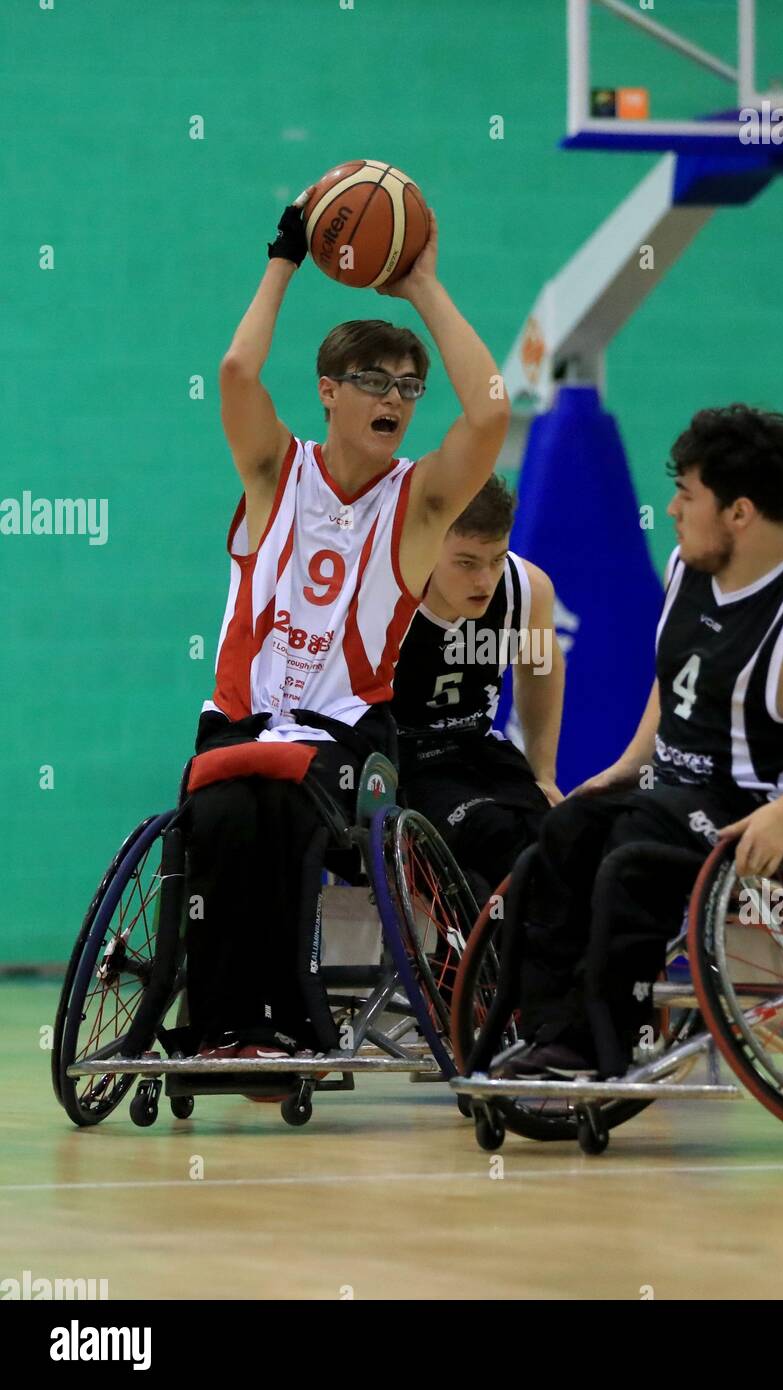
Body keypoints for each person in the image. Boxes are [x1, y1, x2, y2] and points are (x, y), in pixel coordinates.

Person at [494, 403, 783, 1079]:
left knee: (631, 854)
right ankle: (539, 1027)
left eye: (686, 494)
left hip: (774, 829)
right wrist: (630, 763)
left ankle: (598, 1043)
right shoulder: (690, 569)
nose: (671, 509)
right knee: (566, 829)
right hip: (675, 802)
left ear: (739, 513)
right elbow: (675, 681)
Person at [184, 191, 509, 1063]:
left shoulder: (419, 507)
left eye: (408, 387)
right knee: (219, 822)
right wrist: (282, 259)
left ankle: (282, 1025)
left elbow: (488, 415)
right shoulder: (272, 472)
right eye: (373, 381)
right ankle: (215, 1027)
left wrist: (426, 288)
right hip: (238, 721)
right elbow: (235, 376)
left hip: (343, 739)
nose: (395, 397)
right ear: (328, 392)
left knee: (286, 819)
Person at [391, 475, 564, 904]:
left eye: (496, 559)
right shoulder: (388, 593)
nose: (485, 581)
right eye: (466, 563)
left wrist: (543, 773)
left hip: (477, 749)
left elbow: (540, 670)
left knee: (558, 835)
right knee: (492, 834)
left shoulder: (529, 589)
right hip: (403, 758)